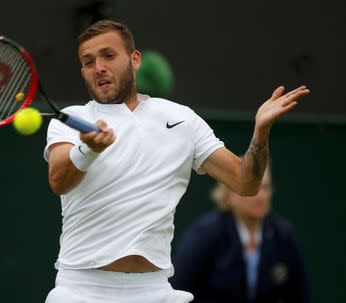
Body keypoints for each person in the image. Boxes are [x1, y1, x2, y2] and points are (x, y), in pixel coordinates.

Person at [43, 19, 309, 303]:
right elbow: (59, 180)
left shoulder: (182, 119)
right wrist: (88, 150)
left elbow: (245, 183)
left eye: (108, 55)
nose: (99, 67)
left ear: (135, 60)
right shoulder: (72, 119)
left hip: (154, 290)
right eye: (88, 62)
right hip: (82, 290)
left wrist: (260, 132)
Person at [170, 167, 311, 303]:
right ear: (228, 195)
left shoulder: (282, 235)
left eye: (265, 187)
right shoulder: (205, 234)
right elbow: (178, 289)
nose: (261, 196)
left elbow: (299, 296)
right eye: (252, 187)